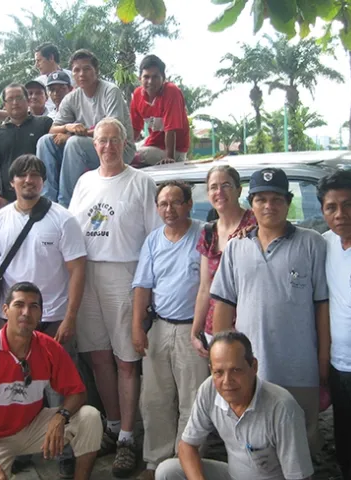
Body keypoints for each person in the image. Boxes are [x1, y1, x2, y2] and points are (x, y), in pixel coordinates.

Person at [0, 153, 86, 475]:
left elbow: (77, 269)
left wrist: (71, 317)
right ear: (12, 182)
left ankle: (64, 451)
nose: (28, 181)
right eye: (22, 176)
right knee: (16, 389)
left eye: (35, 175)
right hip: (13, 323)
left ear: (43, 181)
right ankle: (17, 443)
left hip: (55, 319)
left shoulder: (63, 219)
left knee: (62, 391)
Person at [211, 167, 329, 455]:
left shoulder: (312, 243)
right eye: (261, 199)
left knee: (300, 448)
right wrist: (221, 359)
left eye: (276, 199)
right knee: (255, 449)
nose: (269, 206)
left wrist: (323, 359)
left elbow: (322, 307)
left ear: (288, 202)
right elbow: (224, 305)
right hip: (251, 371)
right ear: (250, 203)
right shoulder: (236, 247)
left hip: (300, 370)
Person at [68, 117, 160, 477]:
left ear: (125, 143)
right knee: (99, 357)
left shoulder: (141, 182)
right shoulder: (84, 182)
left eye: (114, 140)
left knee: (125, 360)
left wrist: (146, 288)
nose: (107, 146)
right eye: (101, 140)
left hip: (124, 275)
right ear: (94, 145)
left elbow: (154, 240)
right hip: (86, 274)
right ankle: (111, 425)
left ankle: (127, 437)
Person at [0, 282, 102, 480]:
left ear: (41, 314)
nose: (26, 312)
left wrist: (60, 416)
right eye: (19, 305)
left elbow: (78, 392)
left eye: (34, 306)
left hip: (33, 426)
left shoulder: (49, 348)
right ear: (5, 310)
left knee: (90, 417)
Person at [155, 331, 314, 480]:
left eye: (236, 370)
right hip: (232, 475)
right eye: (219, 372)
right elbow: (187, 447)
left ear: (254, 367)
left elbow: (300, 477)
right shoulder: (209, 389)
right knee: (167, 471)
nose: (227, 381)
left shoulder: (282, 408)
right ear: (211, 370)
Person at [131, 181, 209, 480]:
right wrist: (137, 327)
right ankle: (155, 461)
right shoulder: (153, 240)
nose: (169, 209)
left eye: (176, 202)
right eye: (163, 204)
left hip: (194, 330)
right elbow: (142, 285)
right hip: (160, 327)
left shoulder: (204, 233)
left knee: (193, 400)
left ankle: (185, 462)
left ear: (189, 204)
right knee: (154, 399)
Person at [37, 49, 136, 207]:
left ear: (96, 71)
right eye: (76, 70)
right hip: (91, 147)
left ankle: (66, 205)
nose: (81, 74)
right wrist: (68, 126)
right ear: (73, 74)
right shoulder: (71, 98)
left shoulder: (110, 91)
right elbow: (52, 130)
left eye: (87, 69)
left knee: (74, 143)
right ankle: (47, 202)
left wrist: (70, 135)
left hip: (118, 149)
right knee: (45, 141)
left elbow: (112, 129)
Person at [192, 166, 256, 351]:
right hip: (215, 330)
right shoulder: (209, 232)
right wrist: (196, 330)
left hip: (249, 330)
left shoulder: (255, 224)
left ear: (239, 190)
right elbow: (205, 287)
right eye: (213, 187)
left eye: (226, 185)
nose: (219, 192)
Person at [317, 170, 351, 480]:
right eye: (332, 207)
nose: (341, 214)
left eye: (349, 204)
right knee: (345, 443)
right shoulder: (324, 244)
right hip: (341, 367)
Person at [0, 84, 53, 209]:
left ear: (27, 101)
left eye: (19, 98)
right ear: (4, 105)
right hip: (7, 201)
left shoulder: (44, 124)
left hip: (41, 197)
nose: (15, 103)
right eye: (10, 99)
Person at [130, 55, 190, 167]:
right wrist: (125, 147)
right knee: (123, 152)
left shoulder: (172, 92)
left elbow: (170, 130)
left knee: (130, 156)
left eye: (155, 77)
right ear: (140, 79)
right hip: (153, 144)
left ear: (163, 78)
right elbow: (135, 128)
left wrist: (169, 158)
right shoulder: (137, 95)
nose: (150, 81)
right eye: (146, 77)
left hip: (174, 150)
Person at [34, 42, 75, 111]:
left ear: (51, 58)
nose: (36, 65)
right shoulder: (37, 83)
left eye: (39, 60)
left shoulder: (73, 77)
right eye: (51, 89)